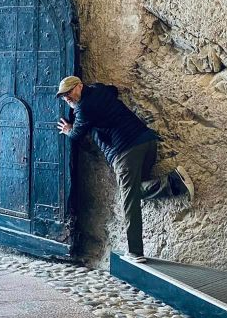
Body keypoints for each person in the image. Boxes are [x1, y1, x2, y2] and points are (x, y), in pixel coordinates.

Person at [56, 75, 193, 262]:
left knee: (129, 201)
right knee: (134, 191)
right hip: (147, 142)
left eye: (69, 92)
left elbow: (77, 134)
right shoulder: (98, 89)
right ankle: (173, 182)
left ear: (80, 86)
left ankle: (135, 252)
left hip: (124, 151)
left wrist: (67, 130)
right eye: (63, 96)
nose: (67, 98)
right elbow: (113, 90)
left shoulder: (83, 108)